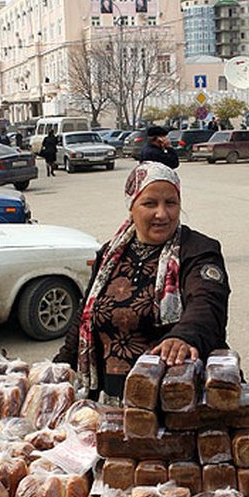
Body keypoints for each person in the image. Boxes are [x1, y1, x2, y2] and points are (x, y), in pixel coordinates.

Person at [54, 162, 230, 403]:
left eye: (171, 203)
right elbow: (86, 313)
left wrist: (184, 336)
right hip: (109, 400)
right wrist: (59, 367)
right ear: (131, 206)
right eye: (150, 203)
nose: (162, 214)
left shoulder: (198, 251)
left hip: (175, 399)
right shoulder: (109, 255)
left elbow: (207, 302)